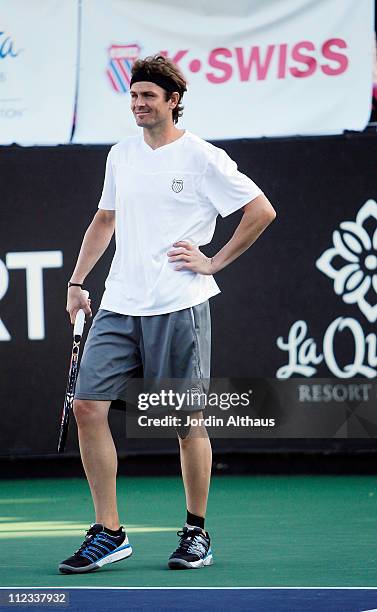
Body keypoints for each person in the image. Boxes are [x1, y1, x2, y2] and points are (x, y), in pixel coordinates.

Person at [58, 54, 276, 574]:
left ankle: (196, 531)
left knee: (184, 421)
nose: (137, 105)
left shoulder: (202, 157)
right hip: (118, 302)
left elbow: (260, 210)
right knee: (88, 407)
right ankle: (109, 533)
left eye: (147, 97)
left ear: (173, 101)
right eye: (133, 96)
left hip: (179, 304)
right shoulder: (121, 155)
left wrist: (213, 261)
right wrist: (76, 281)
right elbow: (105, 218)